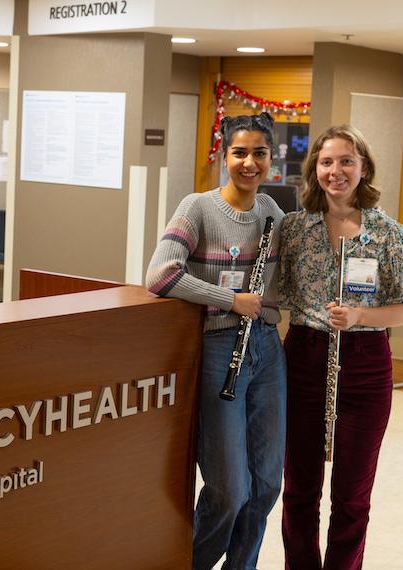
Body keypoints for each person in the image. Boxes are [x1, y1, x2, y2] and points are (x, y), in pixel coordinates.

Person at [277, 124, 403, 570]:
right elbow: (278, 293)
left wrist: (362, 316)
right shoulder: (294, 228)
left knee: (352, 494)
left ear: (363, 168)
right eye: (326, 162)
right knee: (300, 488)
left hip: (365, 365)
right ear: (314, 170)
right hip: (304, 356)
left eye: (346, 161)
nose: (336, 171)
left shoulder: (387, 232)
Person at [145, 112, 286, 570]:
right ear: (224, 155)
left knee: (266, 485)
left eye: (259, 153)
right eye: (240, 152)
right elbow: (161, 275)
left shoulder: (273, 214)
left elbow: (284, 281)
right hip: (219, 350)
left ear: (271, 158)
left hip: (266, 350)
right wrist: (231, 299)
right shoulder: (197, 208)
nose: (250, 162)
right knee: (229, 490)